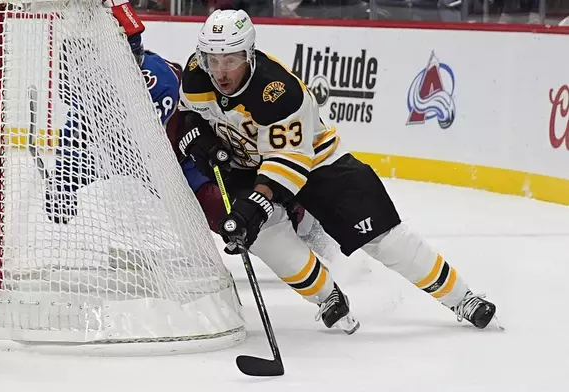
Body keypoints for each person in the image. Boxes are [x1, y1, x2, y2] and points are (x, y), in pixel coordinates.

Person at [43, 1, 357, 333]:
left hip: (195, 163)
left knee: (239, 218)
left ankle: (305, 223)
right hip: (163, 173)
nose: (77, 78)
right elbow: (82, 140)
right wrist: (63, 184)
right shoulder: (90, 95)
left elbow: (146, 144)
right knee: (223, 220)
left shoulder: (156, 79)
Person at [177, 9, 498, 330]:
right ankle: (328, 296)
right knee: (260, 235)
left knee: (382, 237)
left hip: (315, 161)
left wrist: (257, 203)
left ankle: (462, 298)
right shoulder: (195, 74)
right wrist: (195, 134)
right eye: (212, 60)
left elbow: (288, 160)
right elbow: (188, 114)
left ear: (249, 54)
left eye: (230, 60)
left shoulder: (278, 91)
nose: (220, 72)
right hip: (246, 165)